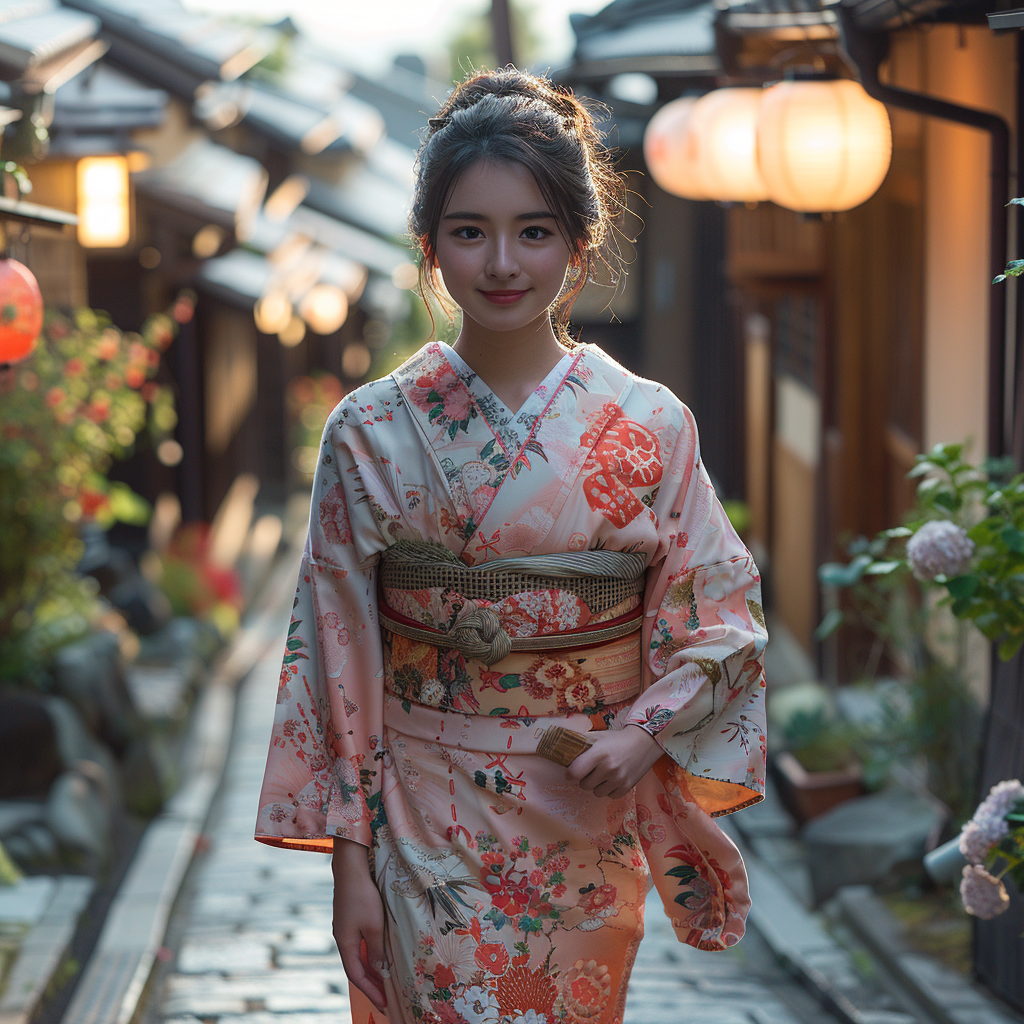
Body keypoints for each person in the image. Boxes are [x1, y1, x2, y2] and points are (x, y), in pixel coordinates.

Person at [255, 66, 768, 1024]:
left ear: (580, 246)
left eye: (533, 231)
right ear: (428, 245)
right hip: (420, 805)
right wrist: (349, 867)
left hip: (580, 811)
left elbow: (722, 615)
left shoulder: (649, 425)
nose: (501, 262)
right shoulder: (368, 430)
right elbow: (336, 653)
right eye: (469, 231)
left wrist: (643, 730)